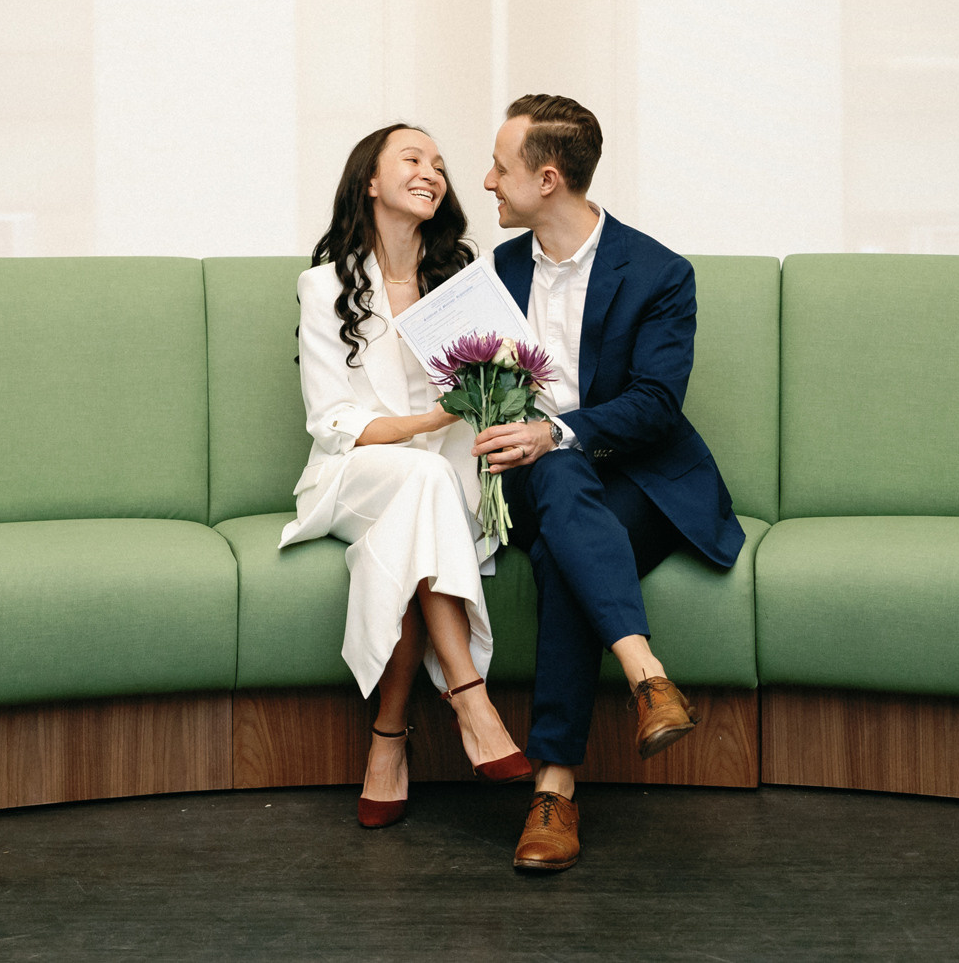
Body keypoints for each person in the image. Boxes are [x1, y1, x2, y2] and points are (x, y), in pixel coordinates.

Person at [471, 94, 746, 873]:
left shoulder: (658, 272)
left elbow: (657, 404)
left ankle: (553, 787)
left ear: (548, 178)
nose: (487, 180)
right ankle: (647, 676)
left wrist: (554, 431)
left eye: (501, 166)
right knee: (557, 482)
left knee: (566, 533)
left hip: (641, 480)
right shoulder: (499, 268)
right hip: (534, 480)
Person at [286, 122, 532, 829]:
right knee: (421, 483)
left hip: (442, 476)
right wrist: (433, 424)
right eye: (413, 159)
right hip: (351, 474)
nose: (432, 172)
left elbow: (503, 379)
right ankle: (470, 697)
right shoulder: (323, 285)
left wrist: (498, 391)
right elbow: (334, 420)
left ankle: (388, 737)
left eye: (440, 165)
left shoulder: (461, 280)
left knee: (416, 513)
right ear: (370, 179)